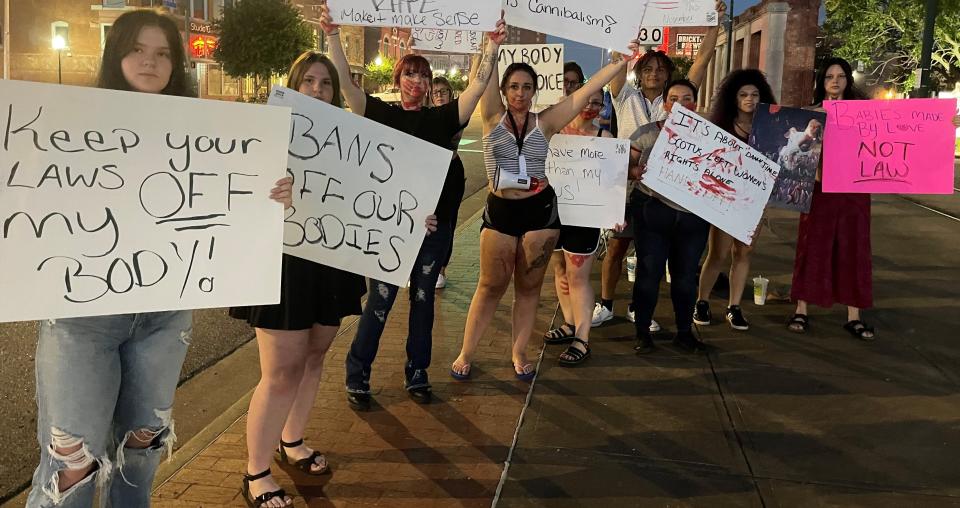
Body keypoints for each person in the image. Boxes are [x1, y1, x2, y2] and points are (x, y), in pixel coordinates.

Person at [26, 10, 293, 508]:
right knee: (71, 462)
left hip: (163, 316)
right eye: (137, 49)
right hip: (82, 316)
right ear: (116, 53)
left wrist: (271, 195)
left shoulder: (202, 130)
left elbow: (232, 200)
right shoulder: (71, 118)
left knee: (142, 446)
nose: (150, 61)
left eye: (163, 53)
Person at [321, 5, 507, 409]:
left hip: (431, 230)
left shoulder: (443, 119)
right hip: (388, 229)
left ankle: (417, 372)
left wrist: (491, 48)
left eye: (423, 74)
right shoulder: (381, 115)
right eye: (410, 73)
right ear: (398, 78)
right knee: (381, 303)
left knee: (423, 303)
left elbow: (476, 88)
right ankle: (358, 376)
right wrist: (333, 36)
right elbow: (348, 88)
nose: (417, 80)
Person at [450, 40, 638, 381]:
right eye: (514, 87)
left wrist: (618, 64)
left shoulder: (546, 122)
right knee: (489, 286)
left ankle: (519, 352)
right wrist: (489, 42)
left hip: (539, 214)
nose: (520, 93)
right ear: (505, 91)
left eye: (526, 87)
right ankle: (466, 351)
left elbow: (586, 92)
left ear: (536, 91)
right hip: (500, 213)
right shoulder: (492, 116)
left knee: (529, 287)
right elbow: (482, 75)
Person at [229, 51, 365, 508]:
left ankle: (292, 441)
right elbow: (236, 193)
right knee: (281, 370)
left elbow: (373, 198)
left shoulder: (350, 141)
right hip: (284, 263)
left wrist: (411, 223)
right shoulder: (266, 134)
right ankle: (255, 470)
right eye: (308, 81)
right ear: (293, 85)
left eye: (326, 83)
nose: (318, 90)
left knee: (314, 356)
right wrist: (270, 195)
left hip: (330, 259)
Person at [593, 1, 724, 328]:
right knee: (616, 248)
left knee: (651, 256)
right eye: (648, 68)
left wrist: (713, 23)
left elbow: (702, 61)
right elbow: (618, 61)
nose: (654, 73)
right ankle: (606, 304)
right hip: (624, 185)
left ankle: (640, 308)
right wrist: (624, 22)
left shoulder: (676, 102)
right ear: (639, 72)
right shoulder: (623, 95)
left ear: (668, 75)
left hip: (664, 192)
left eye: (661, 69)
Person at [628, 80, 713, 353]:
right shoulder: (645, 134)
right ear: (665, 104)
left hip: (693, 218)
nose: (680, 104)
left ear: (695, 104)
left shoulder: (710, 138)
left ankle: (685, 332)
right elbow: (623, 164)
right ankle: (642, 333)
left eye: (687, 98)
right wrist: (634, 172)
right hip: (653, 211)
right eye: (673, 98)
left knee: (686, 276)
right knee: (649, 273)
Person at [693, 69, 778, 331]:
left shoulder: (770, 130)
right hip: (724, 199)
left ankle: (734, 306)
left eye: (754, 94)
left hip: (755, 201)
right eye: (743, 94)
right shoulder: (723, 128)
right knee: (718, 253)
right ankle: (702, 301)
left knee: (744, 252)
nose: (750, 99)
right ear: (734, 98)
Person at [542, 86, 616, 366]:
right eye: (586, 101)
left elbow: (613, 182)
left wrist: (612, 213)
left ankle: (582, 339)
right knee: (560, 272)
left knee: (578, 278)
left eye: (597, 103)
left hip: (585, 219)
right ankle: (570, 323)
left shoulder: (604, 138)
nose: (591, 107)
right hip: (554, 215)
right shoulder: (554, 135)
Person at [432, 75, 467, 289]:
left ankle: (441, 269)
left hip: (451, 171)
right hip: (430, 172)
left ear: (450, 93)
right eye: (435, 92)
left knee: (448, 223)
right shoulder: (426, 115)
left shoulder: (458, 114)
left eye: (443, 91)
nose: (439, 95)